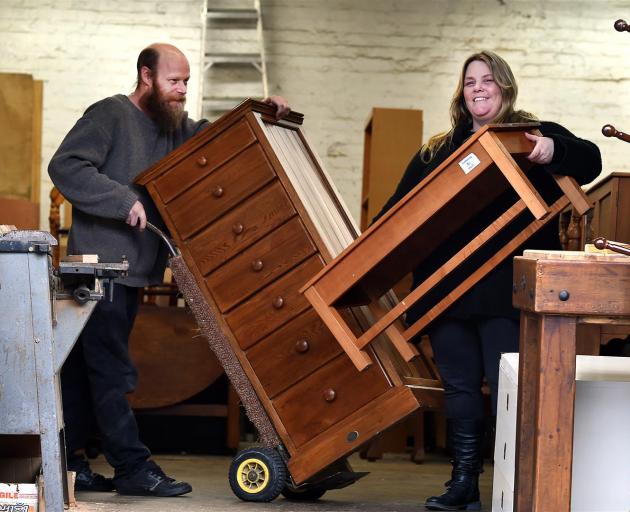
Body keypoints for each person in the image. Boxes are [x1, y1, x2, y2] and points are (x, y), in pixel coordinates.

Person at [48, 43, 289, 497]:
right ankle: (131, 468)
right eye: (173, 82)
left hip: (131, 271)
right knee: (112, 371)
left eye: (186, 83)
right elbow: (65, 166)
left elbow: (214, 137)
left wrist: (261, 113)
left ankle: (71, 462)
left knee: (84, 371)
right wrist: (124, 201)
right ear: (146, 76)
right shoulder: (110, 114)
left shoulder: (172, 127)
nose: (181, 91)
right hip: (99, 270)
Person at [374, 50, 601, 511]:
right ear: (462, 92)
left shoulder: (533, 135)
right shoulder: (437, 150)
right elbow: (397, 213)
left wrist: (553, 151)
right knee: (459, 387)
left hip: (505, 291)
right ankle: (463, 485)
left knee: (508, 390)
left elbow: (591, 160)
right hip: (445, 291)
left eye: (487, 80)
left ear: (505, 87)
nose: (478, 88)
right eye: (470, 81)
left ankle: (512, 485)